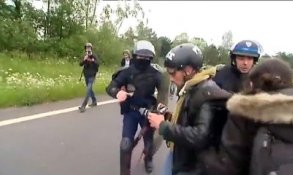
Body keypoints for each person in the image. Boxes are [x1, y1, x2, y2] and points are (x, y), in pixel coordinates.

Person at [201, 58, 293, 175]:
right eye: (241, 58)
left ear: (252, 83)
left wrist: (206, 157)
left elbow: (228, 167)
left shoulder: (244, 112)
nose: (245, 62)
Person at [147, 43, 231, 175]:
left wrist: (163, 126)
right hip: (180, 153)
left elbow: (200, 136)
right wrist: (169, 117)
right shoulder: (191, 87)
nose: (171, 78)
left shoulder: (206, 93)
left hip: (192, 165)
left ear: (188, 70)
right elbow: (190, 118)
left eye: (173, 72)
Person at [106, 40, 169, 175]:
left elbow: (163, 95)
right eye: (140, 56)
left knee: (149, 142)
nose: (143, 59)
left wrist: (161, 108)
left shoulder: (156, 73)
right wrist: (117, 92)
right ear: (134, 56)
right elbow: (111, 86)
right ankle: (125, 171)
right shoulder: (126, 72)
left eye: (147, 58)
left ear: (151, 58)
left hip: (148, 112)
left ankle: (148, 159)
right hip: (131, 111)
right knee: (126, 143)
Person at [78, 42, 100, 113]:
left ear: (91, 48)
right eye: (87, 48)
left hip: (92, 76)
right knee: (89, 90)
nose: (88, 49)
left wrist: (93, 60)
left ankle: (83, 106)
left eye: (89, 48)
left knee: (88, 90)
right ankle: (94, 101)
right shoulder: (85, 56)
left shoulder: (94, 56)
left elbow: (98, 64)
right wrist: (84, 59)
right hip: (86, 75)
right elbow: (80, 64)